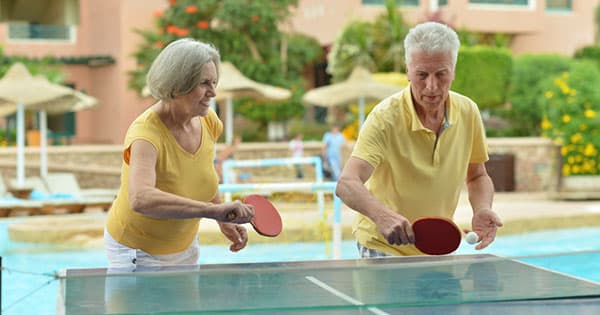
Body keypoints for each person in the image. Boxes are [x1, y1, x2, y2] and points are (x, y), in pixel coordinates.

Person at [335, 22, 503, 258]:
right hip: (383, 245)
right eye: (422, 75)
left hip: (434, 248)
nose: (431, 86)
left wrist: (483, 208)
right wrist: (381, 216)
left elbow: (477, 175)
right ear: (408, 71)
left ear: (453, 71)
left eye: (441, 74)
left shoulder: (468, 111)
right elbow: (347, 183)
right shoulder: (384, 118)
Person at [104, 38, 254, 269]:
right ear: (176, 86)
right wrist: (214, 211)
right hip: (137, 250)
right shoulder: (145, 135)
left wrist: (222, 218)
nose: (213, 92)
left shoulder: (208, 122)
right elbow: (140, 198)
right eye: (204, 83)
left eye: (214, 82)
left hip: (185, 245)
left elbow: (202, 175)